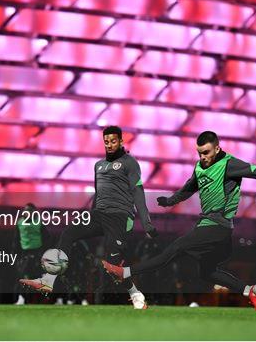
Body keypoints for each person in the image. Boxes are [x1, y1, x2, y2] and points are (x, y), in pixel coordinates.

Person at [102, 131, 256, 312]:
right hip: (211, 229)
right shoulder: (200, 166)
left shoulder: (230, 164)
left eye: (206, 152)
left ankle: (125, 272)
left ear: (217, 147)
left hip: (219, 228)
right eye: (199, 153)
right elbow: (189, 187)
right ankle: (250, 290)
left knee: (176, 248)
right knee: (206, 273)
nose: (203, 158)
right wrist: (170, 201)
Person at [21, 125, 157, 309]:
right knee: (69, 233)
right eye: (106, 141)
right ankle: (49, 280)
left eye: (113, 141)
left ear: (121, 141)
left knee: (113, 266)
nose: (109, 144)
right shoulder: (99, 165)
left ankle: (134, 293)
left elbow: (138, 192)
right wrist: (90, 216)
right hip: (98, 214)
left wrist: (146, 222)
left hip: (120, 217)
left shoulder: (130, 163)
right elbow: (98, 193)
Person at [12, 203, 50, 305]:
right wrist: (14, 254)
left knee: (37, 277)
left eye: (30, 210)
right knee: (22, 276)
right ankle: (21, 298)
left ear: (34, 212)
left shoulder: (39, 222)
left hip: (37, 252)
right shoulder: (20, 222)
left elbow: (47, 238)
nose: (27, 212)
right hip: (24, 253)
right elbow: (16, 239)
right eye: (26, 210)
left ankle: (38, 299)